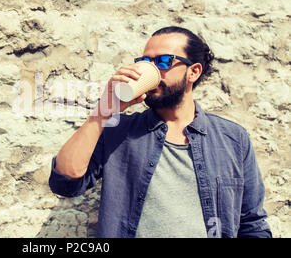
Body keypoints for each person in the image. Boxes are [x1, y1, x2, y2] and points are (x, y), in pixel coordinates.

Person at [48, 26, 272, 238]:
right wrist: (102, 112)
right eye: (145, 61)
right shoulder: (119, 131)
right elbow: (65, 184)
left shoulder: (232, 138)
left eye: (163, 61)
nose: (152, 68)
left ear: (193, 72)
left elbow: (252, 223)